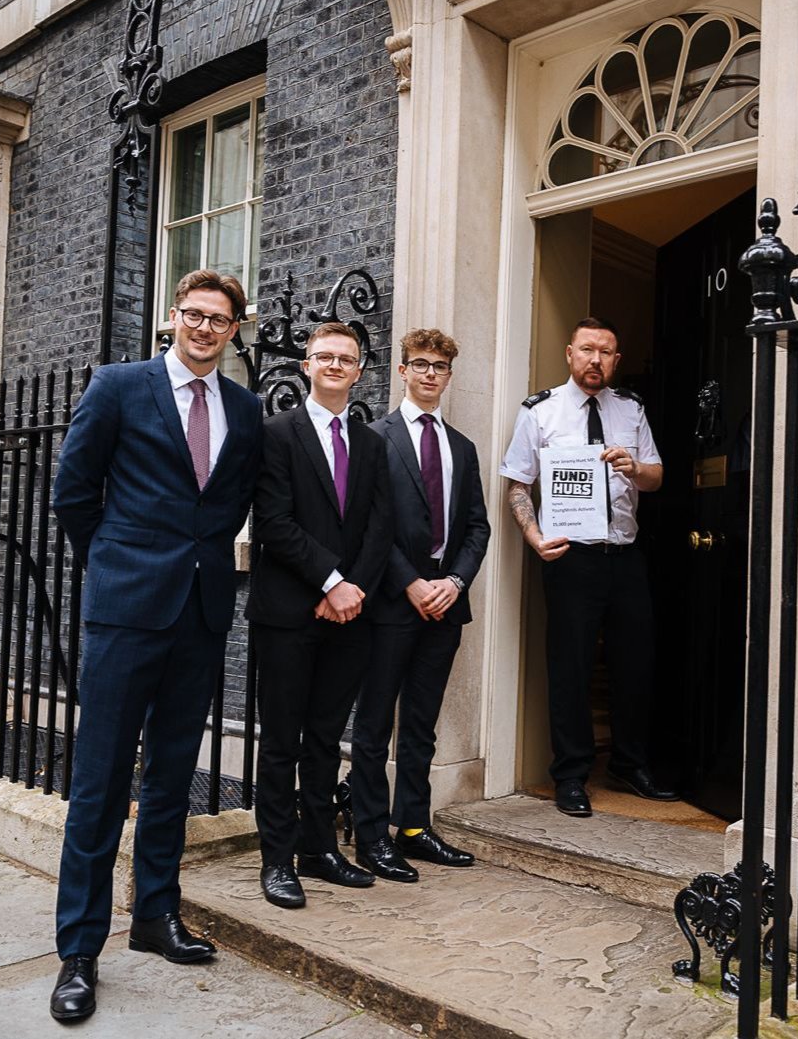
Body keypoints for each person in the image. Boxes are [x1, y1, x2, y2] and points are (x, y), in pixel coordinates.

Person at [50, 269, 264, 1022]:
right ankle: (78, 950)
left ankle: (155, 913)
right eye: (193, 315)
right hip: (126, 610)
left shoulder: (244, 406)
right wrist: (114, 561)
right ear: (172, 318)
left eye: (219, 319)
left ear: (235, 329)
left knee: (172, 773)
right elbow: (73, 490)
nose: (204, 328)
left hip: (201, 612)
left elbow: (233, 501)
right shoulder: (118, 385)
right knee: (101, 778)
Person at [499, 316, 675, 818]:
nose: (596, 360)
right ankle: (571, 775)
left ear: (616, 360)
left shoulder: (631, 409)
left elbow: (657, 477)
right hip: (570, 558)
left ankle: (629, 763)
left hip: (624, 555)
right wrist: (533, 538)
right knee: (570, 668)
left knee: (634, 663)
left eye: (606, 352)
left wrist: (633, 468)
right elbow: (517, 483)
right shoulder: (540, 411)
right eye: (587, 350)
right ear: (569, 353)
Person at [246, 321, 392, 909]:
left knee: (327, 739)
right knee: (281, 740)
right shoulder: (275, 434)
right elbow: (274, 523)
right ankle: (277, 860)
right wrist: (332, 581)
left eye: (346, 358)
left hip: (350, 615)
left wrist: (353, 589)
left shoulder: (374, 444)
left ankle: (318, 849)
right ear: (306, 366)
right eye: (324, 356)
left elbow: (383, 526)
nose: (335, 365)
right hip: (289, 612)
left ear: (359, 372)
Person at [351, 329, 491, 882]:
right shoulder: (375, 438)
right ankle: (369, 835)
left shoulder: (462, 446)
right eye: (421, 364)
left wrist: (455, 581)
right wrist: (410, 583)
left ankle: (413, 826)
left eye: (440, 366)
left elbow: (476, 526)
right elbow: (368, 525)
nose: (431, 374)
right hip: (392, 601)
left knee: (422, 724)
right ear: (403, 371)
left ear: (449, 376)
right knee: (373, 724)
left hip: (446, 605)